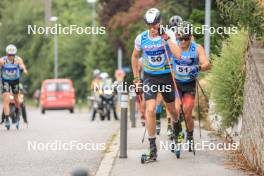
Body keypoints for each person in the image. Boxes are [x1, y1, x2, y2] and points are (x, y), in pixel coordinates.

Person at [131, 8, 181, 161]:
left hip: (166, 76)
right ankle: (153, 149)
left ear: (160, 22)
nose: (153, 28)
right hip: (150, 77)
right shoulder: (141, 38)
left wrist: (165, 38)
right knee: (150, 109)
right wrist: (136, 78)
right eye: (150, 25)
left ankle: (177, 129)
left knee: (172, 110)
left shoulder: (169, 34)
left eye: (155, 24)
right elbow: (134, 56)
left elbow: (178, 54)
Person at [172, 21, 210, 149]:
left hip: (189, 85)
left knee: (187, 112)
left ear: (190, 37)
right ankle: (177, 135)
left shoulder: (197, 48)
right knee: (176, 111)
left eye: (186, 38)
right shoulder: (174, 46)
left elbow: (207, 64)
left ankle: (189, 135)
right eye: (180, 38)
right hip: (176, 84)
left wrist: (198, 67)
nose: (182, 42)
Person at [0, 44, 28, 129]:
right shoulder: (2, 60)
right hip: (6, 81)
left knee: (16, 99)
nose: (11, 57)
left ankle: (17, 111)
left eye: (12, 55)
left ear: (15, 54)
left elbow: (22, 65)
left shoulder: (18, 60)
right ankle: (7, 119)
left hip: (15, 81)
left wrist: (24, 69)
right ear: (6, 54)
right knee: (6, 99)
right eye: (9, 55)